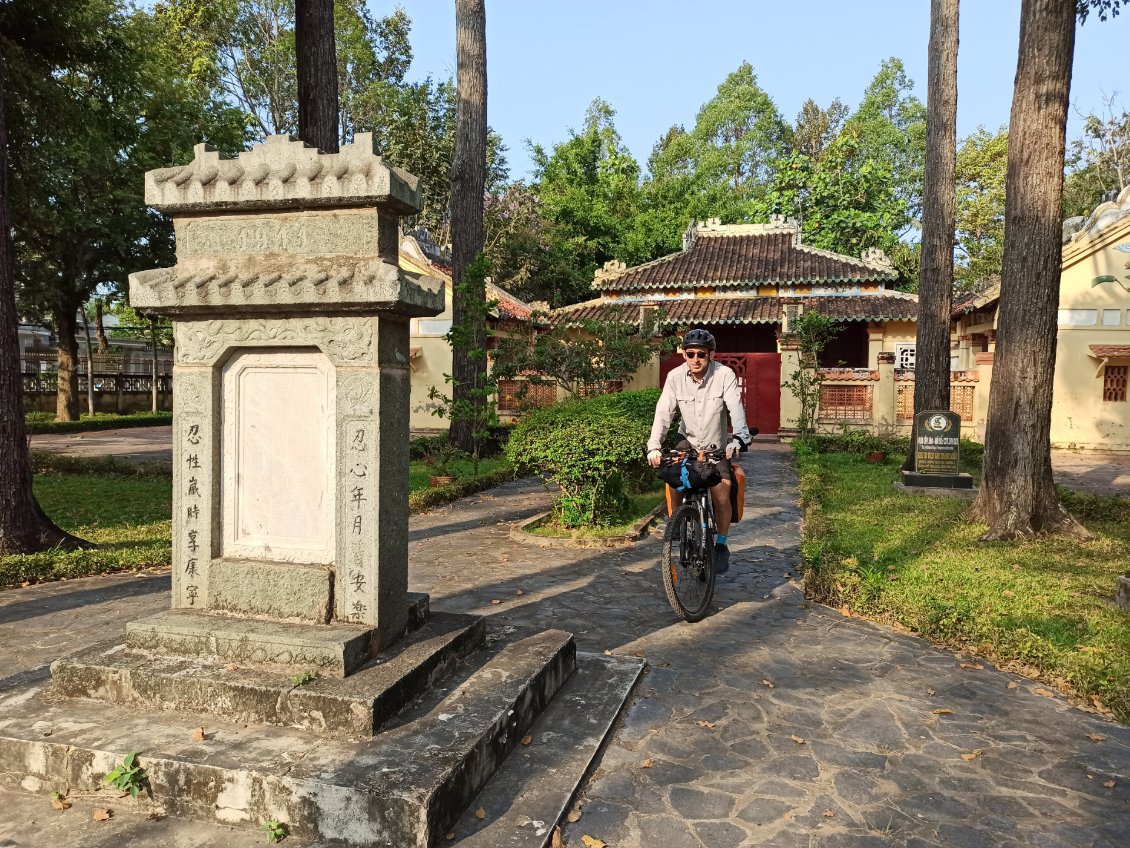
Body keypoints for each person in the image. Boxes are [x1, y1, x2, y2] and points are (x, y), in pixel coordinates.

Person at [647, 328, 752, 574]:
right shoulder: (675, 377)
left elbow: (736, 408)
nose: (695, 359)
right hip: (688, 441)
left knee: (721, 494)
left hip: (717, 445)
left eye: (701, 354)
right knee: (673, 477)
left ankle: (722, 544)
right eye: (690, 353)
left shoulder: (724, 375)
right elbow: (664, 412)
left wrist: (738, 438)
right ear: (683, 354)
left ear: (711, 354)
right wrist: (654, 446)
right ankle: (677, 522)